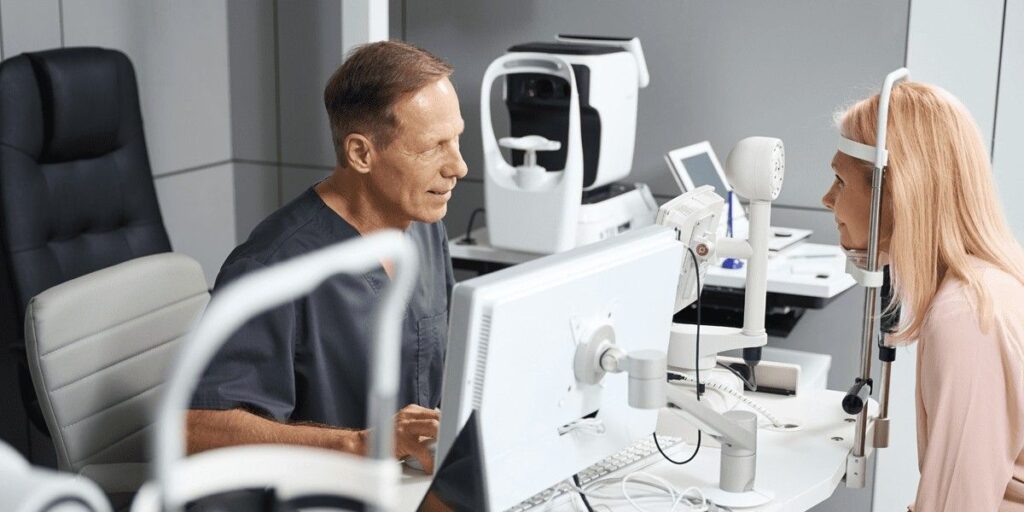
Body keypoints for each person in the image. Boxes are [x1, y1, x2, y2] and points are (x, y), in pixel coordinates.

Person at [186, 40, 468, 475]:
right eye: (433, 146)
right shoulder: (272, 267)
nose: (459, 167)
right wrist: (359, 445)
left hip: (409, 487)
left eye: (457, 139)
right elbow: (197, 429)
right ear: (360, 153)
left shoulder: (425, 227)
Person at [824, 81, 1024, 510]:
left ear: (896, 193)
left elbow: (958, 504)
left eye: (840, 181)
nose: (827, 199)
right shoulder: (988, 284)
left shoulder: (967, 315)